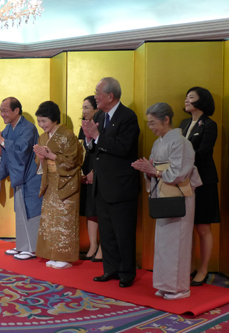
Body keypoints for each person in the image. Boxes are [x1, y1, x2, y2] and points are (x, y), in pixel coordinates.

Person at [132, 102, 202, 300]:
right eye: (149, 123)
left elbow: (179, 172)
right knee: (163, 243)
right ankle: (165, 284)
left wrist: (153, 170)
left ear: (166, 120)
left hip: (179, 194)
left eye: (153, 123)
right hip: (164, 193)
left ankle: (180, 288)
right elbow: (159, 168)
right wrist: (148, 168)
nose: (151, 127)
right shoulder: (159, 142)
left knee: (178, 241)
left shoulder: (180, 142)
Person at [81, 77, 140, 288]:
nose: (95, 96)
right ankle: (111, 269)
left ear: (109, 96)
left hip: (121, 186)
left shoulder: (127, 117)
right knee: (106, 232)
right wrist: (89, 139)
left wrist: (97, 135)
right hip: (101, 185)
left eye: (97, 93)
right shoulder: (100, 116)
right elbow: (96, 151)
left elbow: (124, 148)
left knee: (123, 232)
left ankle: (126, 273)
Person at [0, 97, 43, 260]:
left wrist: (1, 139)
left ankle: (32, 248)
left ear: (16, 111)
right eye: (0, 110)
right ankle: (22, 245)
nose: (2, 114)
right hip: (19, 175)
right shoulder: (9, 128)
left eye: (4, 110)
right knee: (20, 210)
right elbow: (4, 152)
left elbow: (21, 151)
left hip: (30, 176)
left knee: (31, 210)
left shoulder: (28, 128)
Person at [33, 101, 83, 269]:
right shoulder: (42, 137)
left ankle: (65, 257)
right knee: (50, 220)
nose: (41, 125)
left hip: (66, 181)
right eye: (39, 121)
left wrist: (52, 156)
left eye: (44, 121)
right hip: (50, 181)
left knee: (64, 220)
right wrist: (41, 157)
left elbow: (73, 161)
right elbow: (40, 162)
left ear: (54, 119)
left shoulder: (68, 135)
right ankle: (51, 254)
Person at [179, 87, 220, 286]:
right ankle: (190, 266)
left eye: (191, 97)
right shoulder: (184, 123)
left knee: (202, 227)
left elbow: (203, 151)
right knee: (186, 226)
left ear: (202, 101)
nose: (186, 100)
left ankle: (203, 269)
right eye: (186, 97)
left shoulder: (209, 124)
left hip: (203, 181)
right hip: (184, 180)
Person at [78, 95, 103, 262]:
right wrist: (81, 171)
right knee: (90, 209)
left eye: (87, 107)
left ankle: (103, 247)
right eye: (83, 107)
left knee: (101, 209)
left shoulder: (102, 124)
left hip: (100, 169)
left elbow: (102, 150)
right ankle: (93, 245)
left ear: (96, 109)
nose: (84, 111)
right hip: (86, 168)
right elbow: (80, 150)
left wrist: (95, 171)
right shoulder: (84, 125)